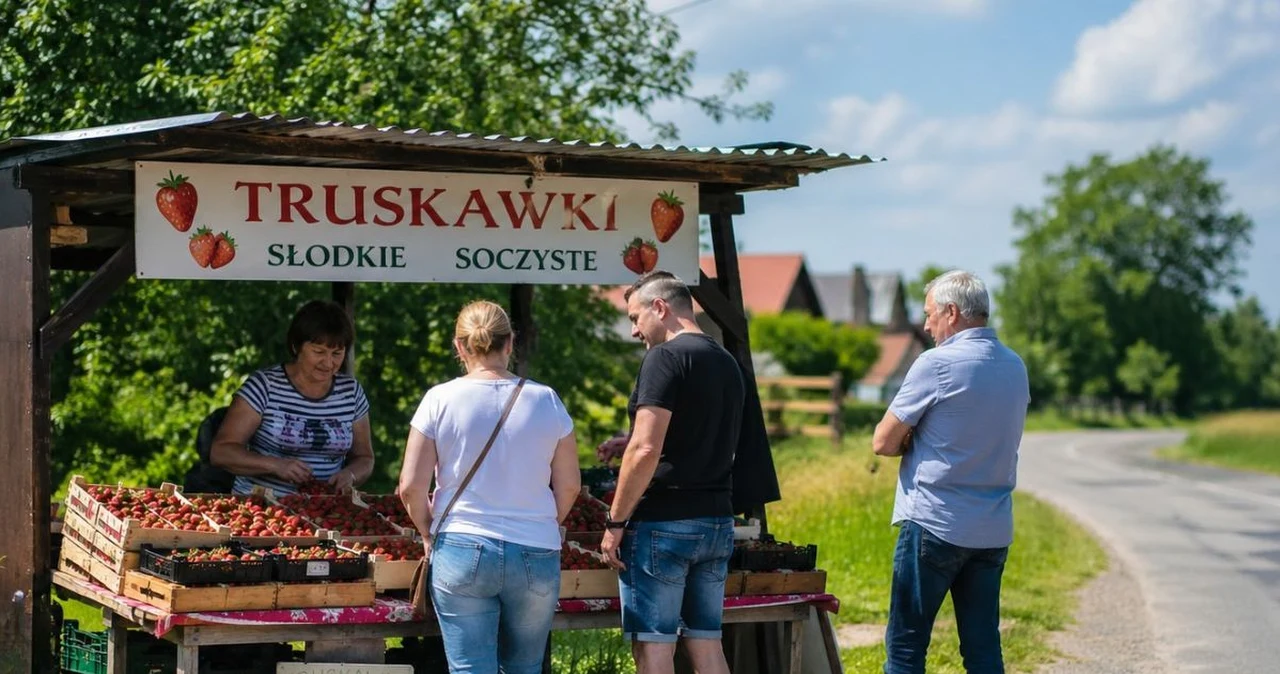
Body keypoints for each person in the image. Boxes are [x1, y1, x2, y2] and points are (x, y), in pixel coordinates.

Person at [398, 300, 581, 674]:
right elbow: (571, 486)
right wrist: (545, 523)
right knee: (526, 668)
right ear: (510, 343)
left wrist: (428, 532)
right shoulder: (546, 400)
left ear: (459, 346)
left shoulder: (439, 399)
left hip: (462, 545)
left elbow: (410, 487)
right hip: (535, 548)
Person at [872, 270, 1030, 674]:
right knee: (983, 649)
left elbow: (883, 442)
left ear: (952, 312)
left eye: (929, 314)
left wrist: (913, 439)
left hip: (935, 522)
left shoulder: (936, 363)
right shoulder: (1015, 366)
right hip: (992, 528)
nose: (926, 326)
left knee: (906, 648)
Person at [599, 271, 745, 674]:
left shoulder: (664, 358)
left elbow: (646, 448)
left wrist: (615, 521)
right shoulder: (725, 361)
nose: (634, 331)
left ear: (660, 307)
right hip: (717, 520)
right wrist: (627, 440)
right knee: (707, 644)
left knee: (653, 648)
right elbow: (700, 431)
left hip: (664, 523)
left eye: (635, 318)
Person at [211, 299, 374, 495]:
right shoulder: (264, 386)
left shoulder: (351, 392)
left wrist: (351, 475)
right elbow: (221, 452)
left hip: (325, 506)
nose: (328, 362)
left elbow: (365, 458)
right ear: (296, 347)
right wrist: (275, 465)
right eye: (319, 352)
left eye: (337, 353)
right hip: (261, 506)